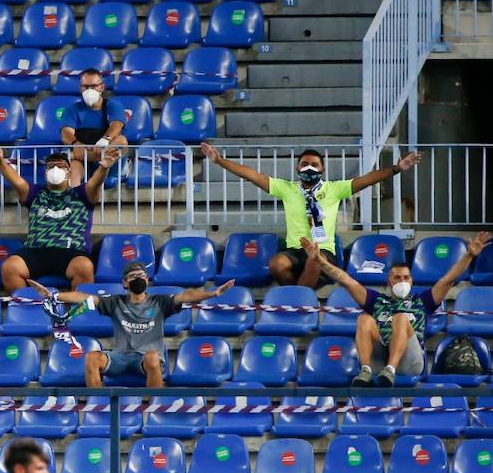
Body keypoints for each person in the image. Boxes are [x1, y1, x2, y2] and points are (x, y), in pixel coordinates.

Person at [200, 144, 423, 288]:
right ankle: (298, 295)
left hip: (324, 251)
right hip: (294, 250)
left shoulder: (335, 189)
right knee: (276, 263)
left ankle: (299, 303)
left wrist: (397, 168)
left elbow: (367, 179)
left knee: (315, 260)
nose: (310, 167)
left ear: (323, 169)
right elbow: (252, 175)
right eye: (305, 164)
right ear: (298, 168)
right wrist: (220, 161)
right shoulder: (287, 188)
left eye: (315, 165)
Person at [304, 231, 490, 387]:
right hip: (380, 359)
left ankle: (391, 370)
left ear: (412, 280)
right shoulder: (376, 300)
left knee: (401, 317)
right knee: (364, 319)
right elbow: (346, 280)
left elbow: (448, 279)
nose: (402, 281)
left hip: (410, 362)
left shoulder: (422, 301)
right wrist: (320, 261)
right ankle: (366, 370)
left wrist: (469, 255)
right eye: (397, 278)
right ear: (389, 281)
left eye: (406, 278)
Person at [30, 261, 235, 388]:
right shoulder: (115, 301)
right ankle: (98, 406)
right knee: (92, 357)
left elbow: (187, 295)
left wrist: (212, 293)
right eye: (133, 277)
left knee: (153, 357)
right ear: (125, 283)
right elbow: (84, 296)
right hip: (120, 357)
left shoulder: (160, 302)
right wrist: (54, 295)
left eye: (142, 276)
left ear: (147, 280)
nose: (138, 279)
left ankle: (154, 405)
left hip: (146, 359)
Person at [0, 145, 116, 292]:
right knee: (10, 267)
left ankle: (78, 312)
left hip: (71, 251)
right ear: (45, 174)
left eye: (61, 166)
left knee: (84, 267)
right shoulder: (34, 193)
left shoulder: (82, 194)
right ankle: (29, 308)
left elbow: (96, 182)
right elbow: (16, 181)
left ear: (69, 173)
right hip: (36, 251)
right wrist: (0, 161)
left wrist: (104, 168)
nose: (55, 169)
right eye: (51, 166)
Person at [61, 68, 133, 185]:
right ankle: (75, 200)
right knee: (74, 166)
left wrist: (104, 141)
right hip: (84, 164)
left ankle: (76, 156)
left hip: (109, 161)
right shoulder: (72, 110)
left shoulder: (113, 106)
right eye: (85, 86)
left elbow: (117, 124)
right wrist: (76, 144)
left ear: (101, 87)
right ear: (80, 88)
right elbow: (66, 133)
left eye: (94, 86)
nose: (89, 90)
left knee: (121, 141)